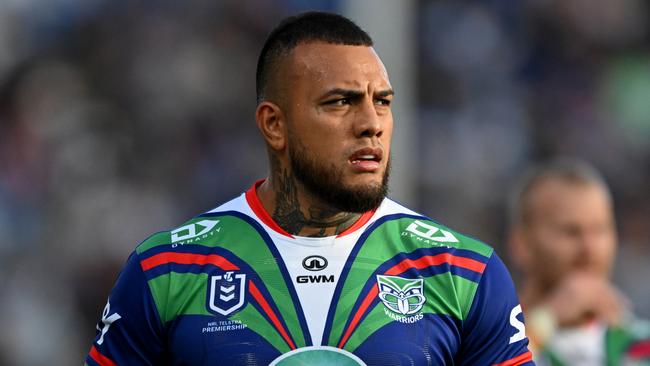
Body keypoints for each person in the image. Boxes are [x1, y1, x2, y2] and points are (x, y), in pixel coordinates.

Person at [85, 11, 533, 365]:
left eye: (382, 102)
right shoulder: (168, 271)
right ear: (274, 124)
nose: (371, 125)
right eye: (340, 102)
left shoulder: (463, 273)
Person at [507, 158, 650, 365]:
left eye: (600, 230)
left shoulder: (638, 345)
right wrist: (547, 319)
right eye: (570, 232)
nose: (589, 249)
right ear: (521, 245)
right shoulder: (480, 335)